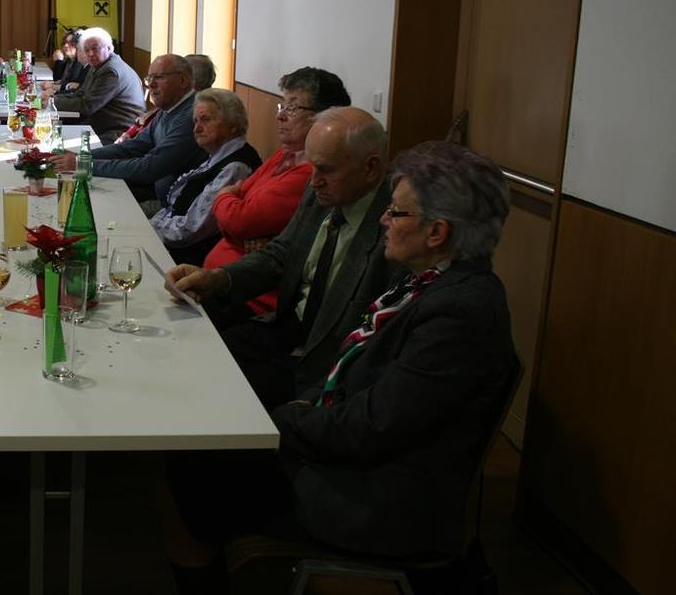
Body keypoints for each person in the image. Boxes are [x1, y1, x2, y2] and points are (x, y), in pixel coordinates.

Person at [162, 141, 517, 591]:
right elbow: (352, 368)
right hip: (355, 450)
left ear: (437, 233)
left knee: (195, 473)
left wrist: (281, 421)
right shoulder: (430, 277)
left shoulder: (461, 312)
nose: (383, 219)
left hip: (382, 498)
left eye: (398, 213)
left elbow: (373, 428)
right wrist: (297, 411)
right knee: (201, 457)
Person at [166, 107, 399, 408]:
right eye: (312, 166)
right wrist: (219, 278)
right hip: (286, 326)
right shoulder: (323, 192)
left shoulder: (395, 227)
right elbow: (281, 255)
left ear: (371, 168)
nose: (314, 181)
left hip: (325, 359)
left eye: (326, 170)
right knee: (194, 354)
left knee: (219, 394)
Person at [204, 68, 352, 318]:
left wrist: (224, 199)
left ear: (324, 117)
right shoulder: (286, 155)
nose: (281, 116)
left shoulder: (309, 174)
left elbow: (239, 219)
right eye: (281, 106)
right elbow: (236, 210)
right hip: (225, 283)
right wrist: (233, 208)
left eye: (292, 108)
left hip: (251, 300)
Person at [53, 53, 203, 205]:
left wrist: (84, 164)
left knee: (89, 205)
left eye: (158, 77)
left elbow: (150, 168)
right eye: (149, 78)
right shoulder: (169, 109)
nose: (151, 85)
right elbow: (131, 148)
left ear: (183, 80)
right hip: (156, 191)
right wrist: (82, 157)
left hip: (169, 206)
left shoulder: (192, 116)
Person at [149, 89, 261, 266]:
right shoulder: (218, 155)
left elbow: (191, 229)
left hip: (192, 263)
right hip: (174, 243)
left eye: (206, 120)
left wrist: (148, 229)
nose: (197, 128)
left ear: (232, 124)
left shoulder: (235, 167)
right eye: (195, 121)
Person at [47, 27, 144, 143]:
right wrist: (52, 99)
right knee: (47, 132)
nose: (91, 54)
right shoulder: (99, 65)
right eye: (86, 50)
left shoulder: (111, 71)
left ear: (110, 48)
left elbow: (87, 106)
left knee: (50, 139)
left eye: (95, 49)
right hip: (99, 126)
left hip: (118, 134)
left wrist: (50, 102)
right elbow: (80, 93)